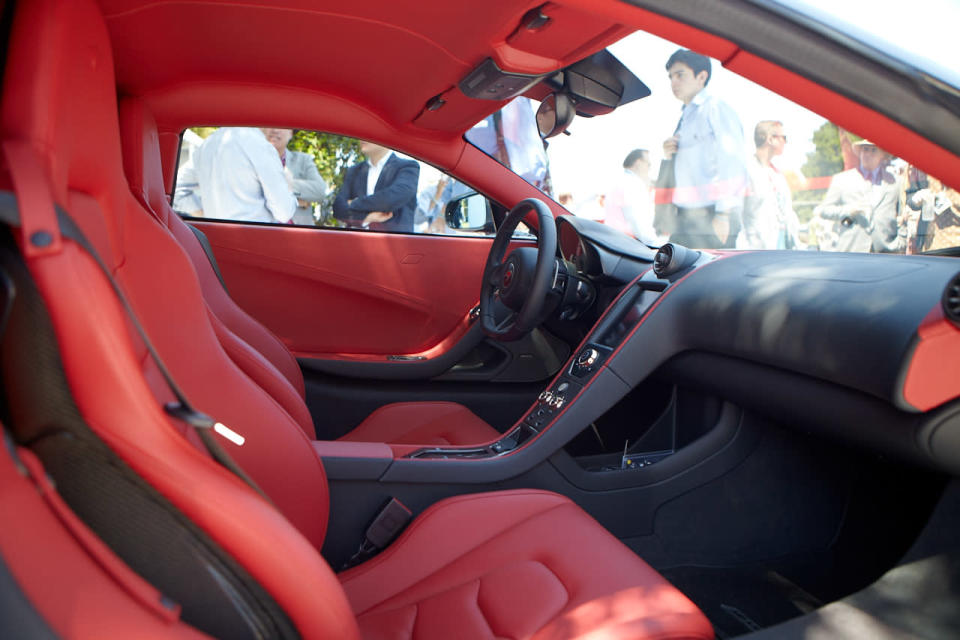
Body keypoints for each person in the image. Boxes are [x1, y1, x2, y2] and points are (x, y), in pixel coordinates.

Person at [658, 49, 748, 249]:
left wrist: (723, 214)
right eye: (671, 77)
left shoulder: (714, 108)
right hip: (686, 217)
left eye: (680, 75)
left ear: (701, 77)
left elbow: (732, 161)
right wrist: (669, 152)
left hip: (711, 216)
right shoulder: (686, 116)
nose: (674, 82)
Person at [813, 139, 904, 253]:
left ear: (882, 155)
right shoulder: (842, 179)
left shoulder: (895, 182)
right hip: (852, 250)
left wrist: (900, 242)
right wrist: (848, 210)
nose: (868, 154)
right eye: (865, 149)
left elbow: (902, 215)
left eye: (873, 150)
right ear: (860, 152)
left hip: (886, 252)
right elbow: (824, 210)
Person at [192, 127, 297, 223]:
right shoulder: (260, 145)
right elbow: (284, 213)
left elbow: (179, 188)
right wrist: (289, 186)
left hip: (213, 236)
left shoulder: (207, 144)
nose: (275, 130)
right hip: (254, 237)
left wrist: (205, 215)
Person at [738, 120, 800, 249]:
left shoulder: (777, 174)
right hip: (756, 248)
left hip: (781, 244)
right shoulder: (747, 170)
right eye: (783, 137)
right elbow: (737, 212)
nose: (785, 142)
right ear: (770, 139)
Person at [332, 141, 420, 232]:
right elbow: (338, 208)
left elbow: (390, 199)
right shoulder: (354, 171)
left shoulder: (407, 167)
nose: (362, 138)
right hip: (356, 242)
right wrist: (365, 219)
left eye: (369, 133)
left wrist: (354, 203)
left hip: (393, 242)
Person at [261, 128, 328, 226]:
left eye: (281, 126)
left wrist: (285, 184)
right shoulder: (251, 161)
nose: (275, 130)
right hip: (261, 231)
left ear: (291, 133)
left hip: (298, 234)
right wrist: (298, 201)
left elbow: (320, 191)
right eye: (270, 125)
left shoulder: (303, 160)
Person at [605, 149, 658, 242]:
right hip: (628, 244)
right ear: (638, 163)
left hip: (615, 241)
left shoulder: (620, 180)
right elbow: (637, 222)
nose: (650, 168)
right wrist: (655, 245)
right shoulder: (633, 184)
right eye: (648, 164)